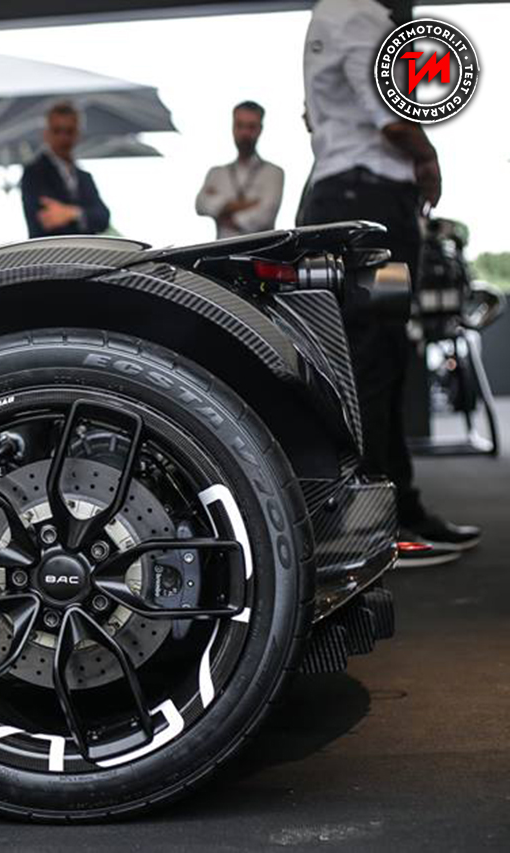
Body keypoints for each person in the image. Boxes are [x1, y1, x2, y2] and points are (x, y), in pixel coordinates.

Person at [299, 0, 480, 563]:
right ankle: (377, 527)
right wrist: (428, 159)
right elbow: (390, 116)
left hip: (349, 193)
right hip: (369, 198)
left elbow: (315, 115)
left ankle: (397, 508)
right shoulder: (360, 16)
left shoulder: (332, 14)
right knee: (373, 362)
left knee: (377, 359)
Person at [20, 101, 110, 238]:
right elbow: (46, 221)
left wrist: (71, 213)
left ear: (77, 134)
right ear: (46, 133)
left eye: (69, 131)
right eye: (57, 130)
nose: (63, 137)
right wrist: (84, 215)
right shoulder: (34, 173)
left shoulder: (84, 177)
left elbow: (103, 218)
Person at [195, 101, 285, 238]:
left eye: (251, 127)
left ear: (260, 129)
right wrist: (244, 205)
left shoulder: (274, 173)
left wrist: (224, 211)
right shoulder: (216, 173)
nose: (244, 133)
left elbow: (265, 216)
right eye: (239, 125)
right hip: (222, 249)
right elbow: (201, 204)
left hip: (260, 249)